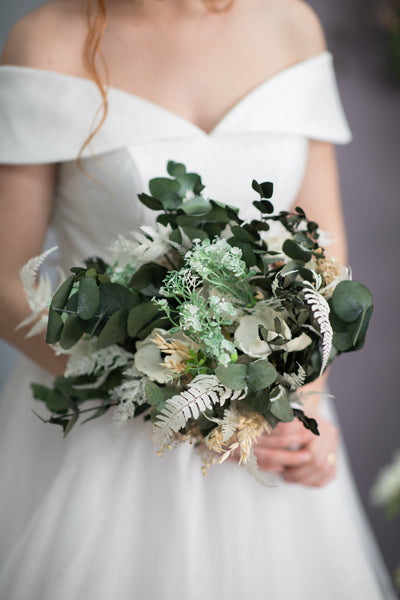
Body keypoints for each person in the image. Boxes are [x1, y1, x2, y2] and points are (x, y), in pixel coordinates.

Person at [0, 0, 396, 598]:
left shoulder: (291, 24)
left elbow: (323, 263)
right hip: (109, 437)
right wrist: (180, 402)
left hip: (269, 434)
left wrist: (304, 413)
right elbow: (6, 280)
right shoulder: (48, 38)